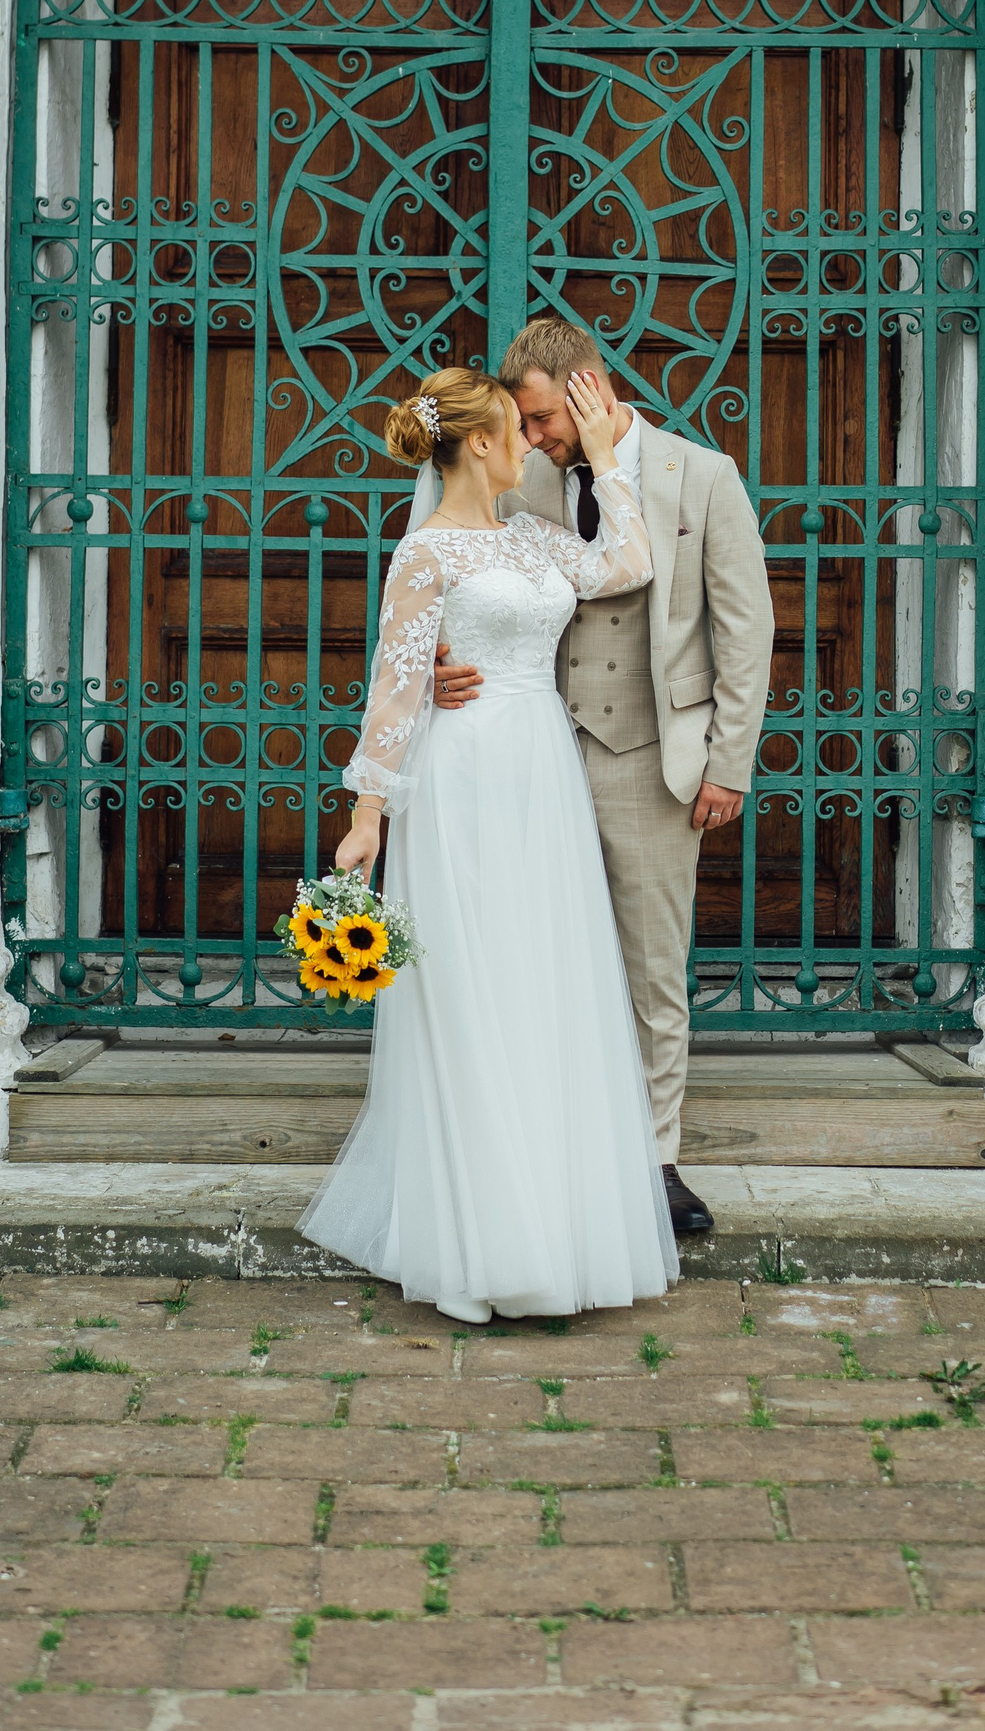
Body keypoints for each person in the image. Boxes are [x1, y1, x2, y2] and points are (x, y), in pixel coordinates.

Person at [297, 363, 676, 1322]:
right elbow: (394, 685)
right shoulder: (424, 554)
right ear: (478, 443)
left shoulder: (535, 536)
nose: (531, 446)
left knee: (538, 985)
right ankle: (473, 1248)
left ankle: (547, 1227)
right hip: (461, 778)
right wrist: (368, 815)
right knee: (471, 992)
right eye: (517, 430)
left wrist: (606, 460)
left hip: (540, 776)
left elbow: (627, 563)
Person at [434, 319, 775, 1241]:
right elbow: (451, 584)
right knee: (537, 958)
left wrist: (728, 762)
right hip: (533, 753)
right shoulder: (519, 480)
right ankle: (557, 1154)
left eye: (543, 417)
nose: (532, 435)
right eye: (523, 423)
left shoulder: (702, 475)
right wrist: (434, 669)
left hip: (652, 758)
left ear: (590, 388)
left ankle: (656, 1162)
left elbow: (745, 630)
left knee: (652, 969)